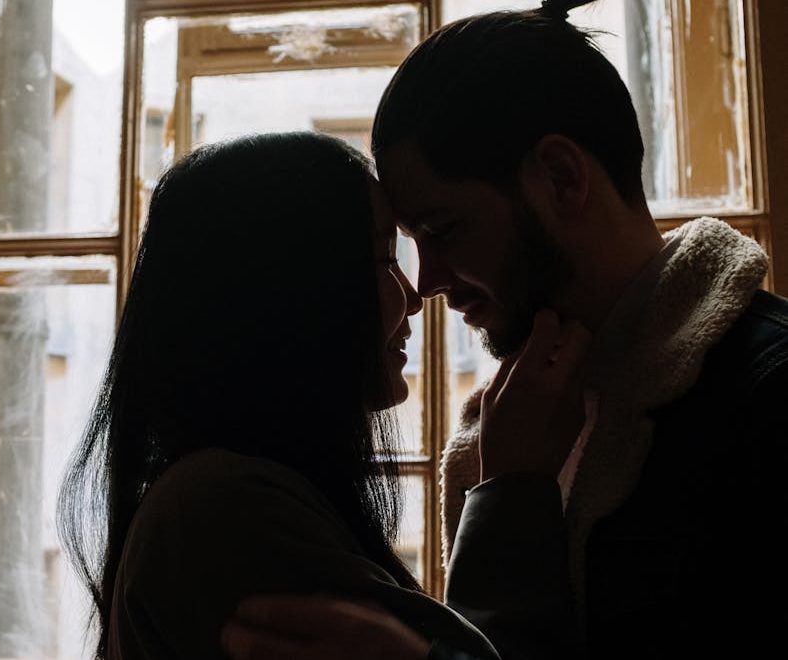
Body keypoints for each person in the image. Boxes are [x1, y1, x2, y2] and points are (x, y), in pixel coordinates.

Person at [223, 1, 788, 658]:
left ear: (560, 177)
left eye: (443, 230)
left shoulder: (769, 393)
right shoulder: (520, 425)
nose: (427, 283)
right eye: (406, 245)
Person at [56, 131, 523, 660]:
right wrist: (509, 491)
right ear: (292, 293)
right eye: (382, 259)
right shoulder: (225, 513)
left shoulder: (221, 496)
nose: (414, 297)